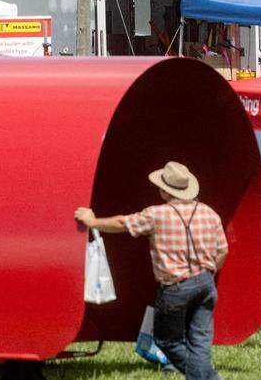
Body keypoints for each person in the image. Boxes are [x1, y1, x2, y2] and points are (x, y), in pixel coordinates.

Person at [75, 161, 228, 380]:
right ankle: (207, 377)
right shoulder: (209, 213)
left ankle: (209, 378)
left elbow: (122, 223)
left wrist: (92, 221)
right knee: (200, 342)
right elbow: (222, 251)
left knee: (167, 340)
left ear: (165, 191)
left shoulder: (157, 214)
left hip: (176, 287)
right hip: (205, 283)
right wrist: (209, 273)